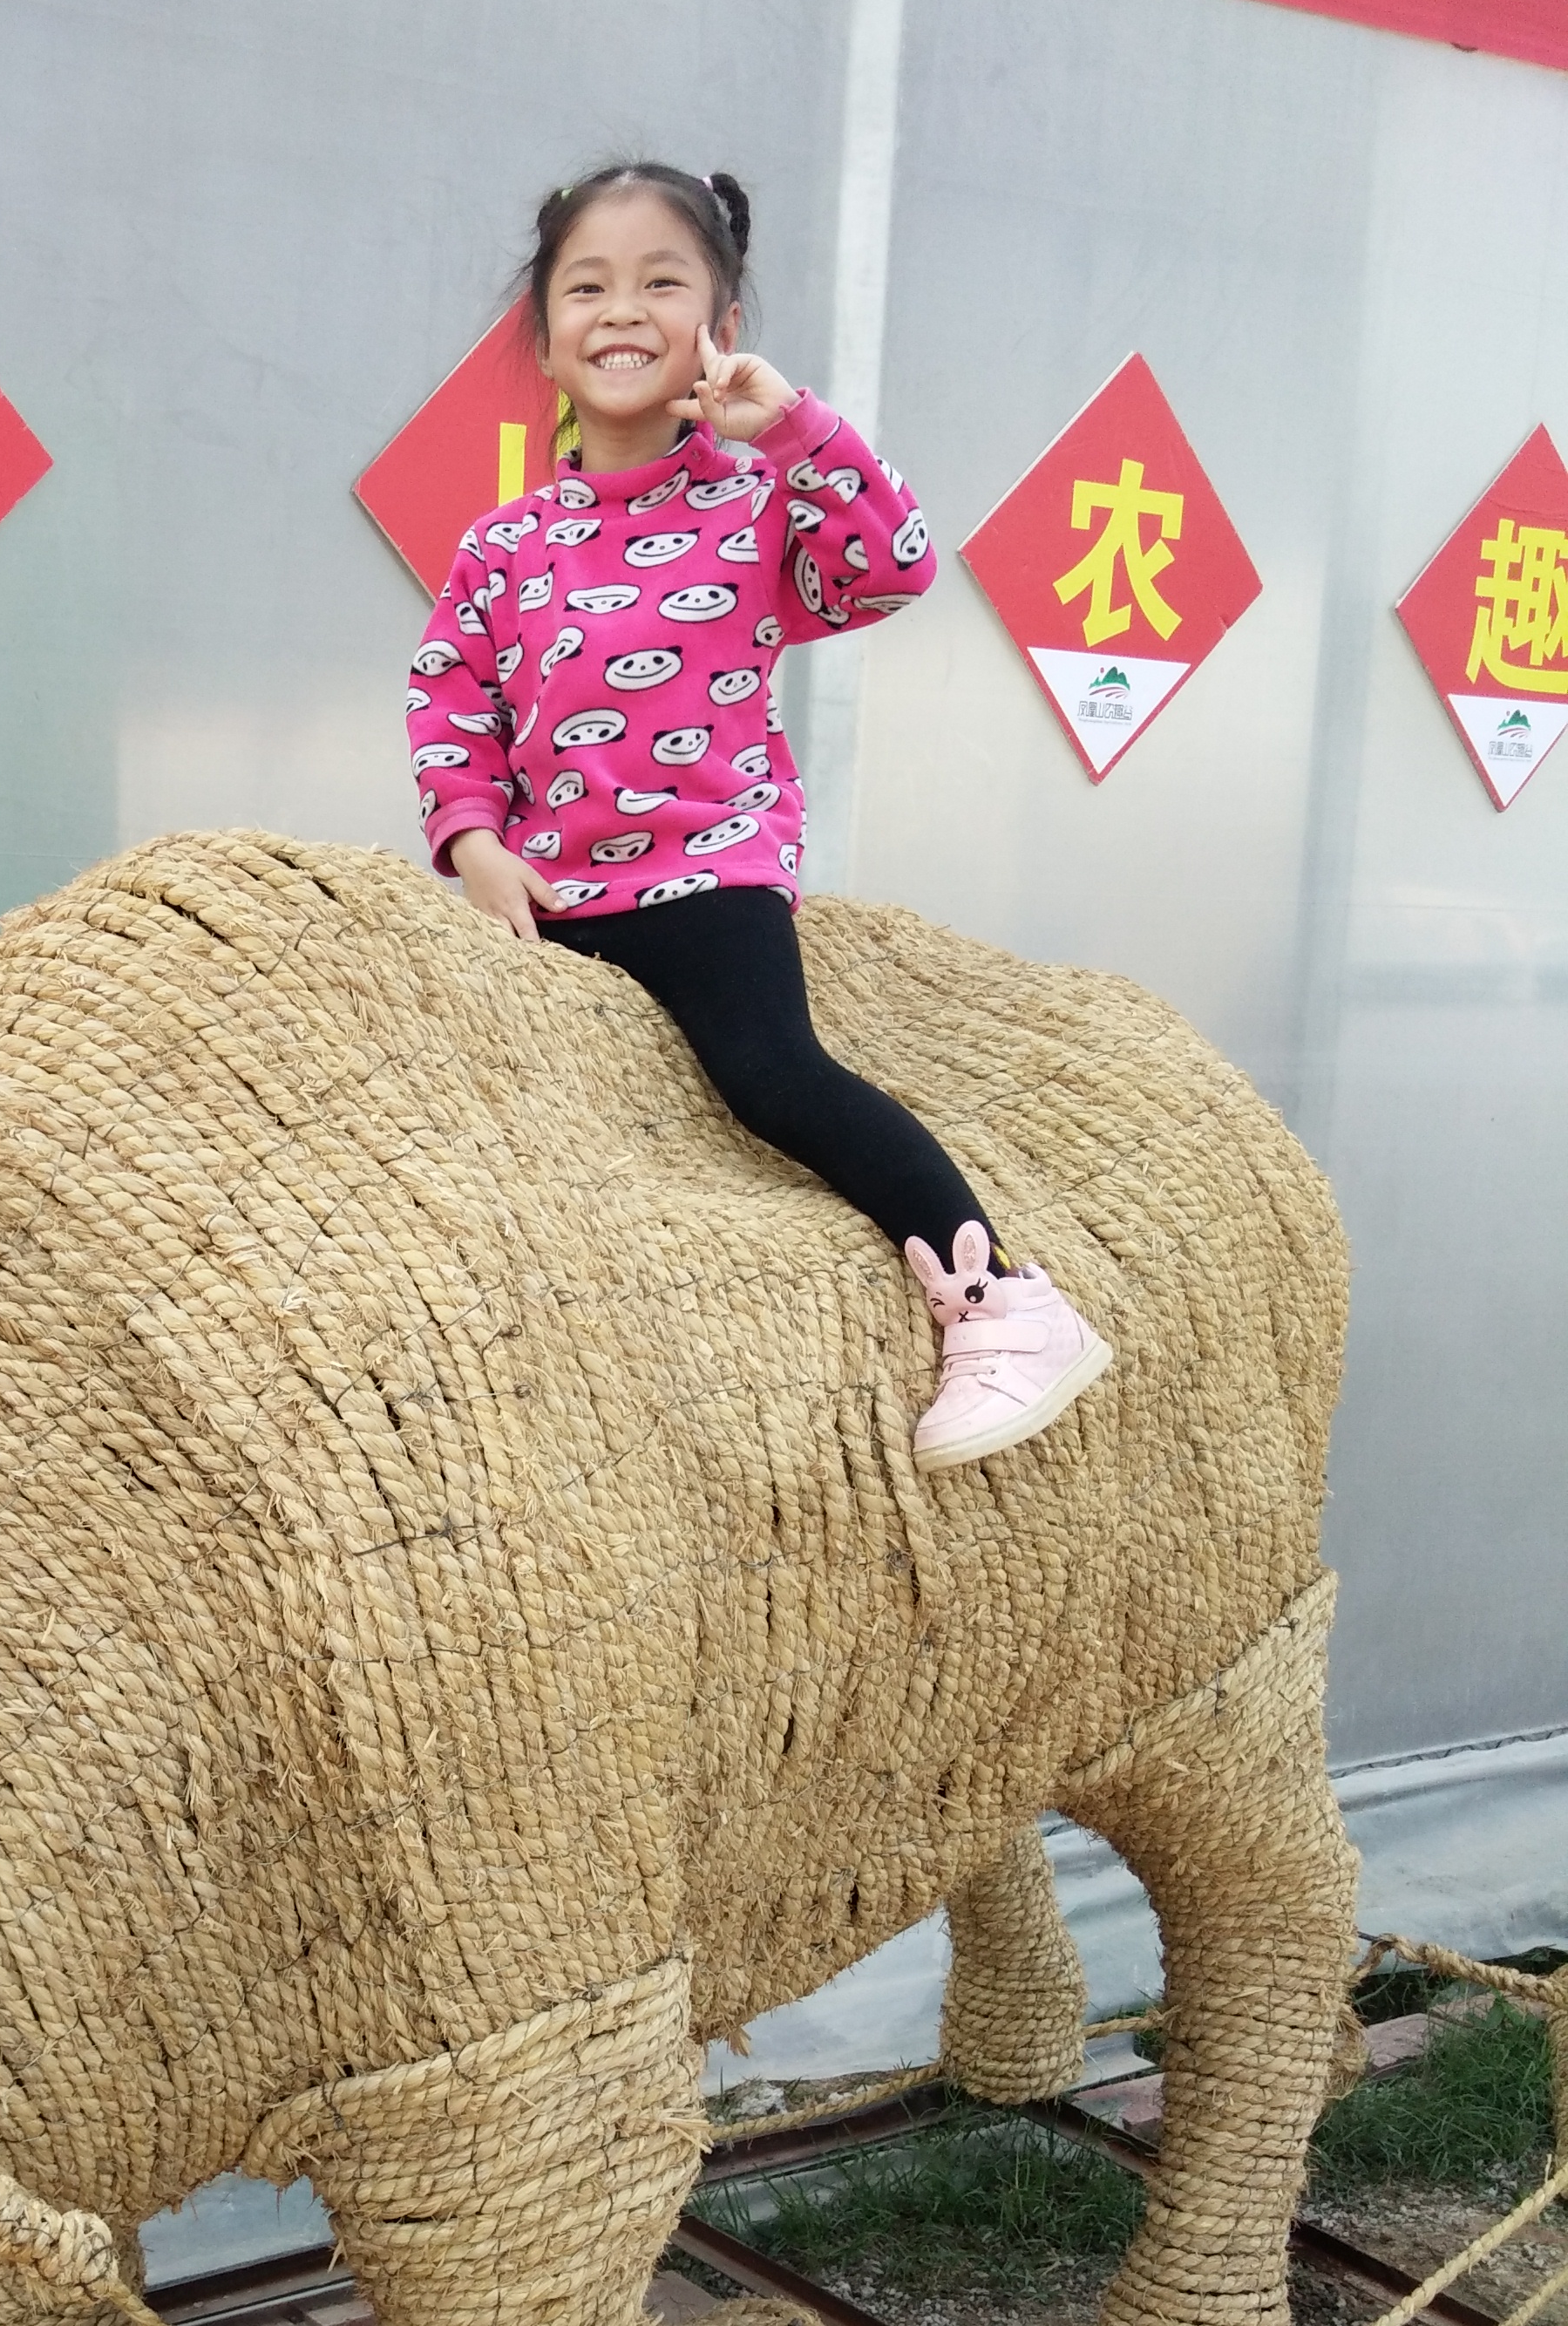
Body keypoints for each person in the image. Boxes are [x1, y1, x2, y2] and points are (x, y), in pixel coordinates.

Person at [411, 160, 1109, 1472]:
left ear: (720, 324)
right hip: (549, 899)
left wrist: (788, 427)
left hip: (705, 879)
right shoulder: (502, 545)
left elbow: (894, 567)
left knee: (771, 1076)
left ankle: (1005, 1306)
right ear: (543, 338)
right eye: (588, 287)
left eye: (662, 282)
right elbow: (452, 698)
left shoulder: (753, 502)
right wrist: (476, 844)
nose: (624, 310)